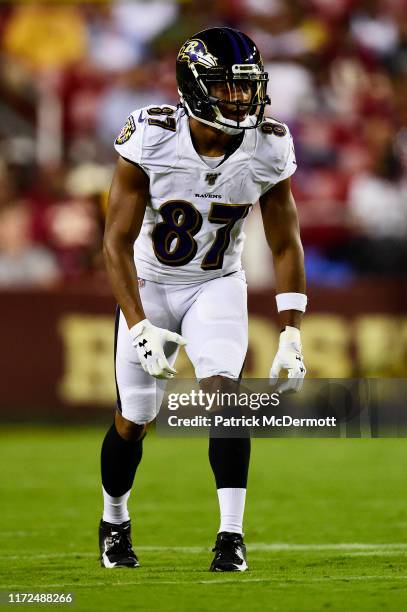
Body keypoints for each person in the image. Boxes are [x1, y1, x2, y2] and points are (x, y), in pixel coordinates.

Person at [100, 27, 307, 572]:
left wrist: (290, 331)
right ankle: (114, 519)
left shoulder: (267, 143)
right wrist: (139, 323)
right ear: (193, 86)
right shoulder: (152, 135)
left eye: (246, 87)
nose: (240, 99)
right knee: (135, 417)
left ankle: (230, 536)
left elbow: (285, 241)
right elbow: (115, 242)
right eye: (224, 86)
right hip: (150, 281)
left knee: (225, 398)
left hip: (216, 282)